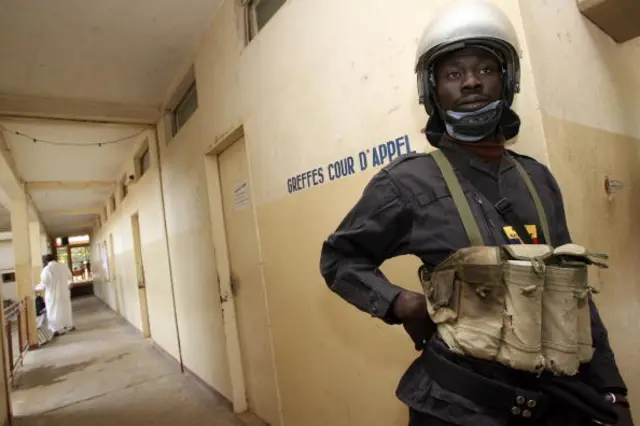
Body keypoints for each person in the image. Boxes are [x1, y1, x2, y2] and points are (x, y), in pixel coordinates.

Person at [319, 1, 633, 425]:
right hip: (456, 406)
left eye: (485, 69)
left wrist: (611, 387)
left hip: (553, 399)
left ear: (507, 80)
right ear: (432, 90)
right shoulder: (407, 182)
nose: (470, 83)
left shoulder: (538, 179)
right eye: (453, 74)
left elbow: (572, 287)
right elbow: (340, 259)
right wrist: (400, 303)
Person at [37, 254, 75, 336]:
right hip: (64, 293)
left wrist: (35, 288)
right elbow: (70, 279)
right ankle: (69, 326)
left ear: (46, 261)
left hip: (53, 295)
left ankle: (58, 329)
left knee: (54, 311)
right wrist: (68, 285)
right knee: (66, 309)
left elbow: (44, 283)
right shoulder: (63, 266)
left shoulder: (47, 269)